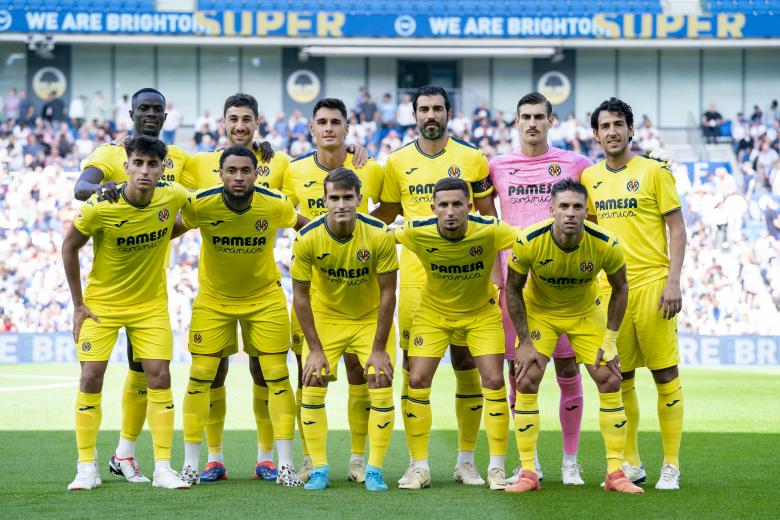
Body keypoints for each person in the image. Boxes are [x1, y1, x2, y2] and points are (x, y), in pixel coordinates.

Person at [372, 85, 497, 488]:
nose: (431, 115)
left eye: (437, 109)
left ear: (449, 113)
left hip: (467, 280)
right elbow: (387, 213)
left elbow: (489, 219)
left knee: (466, 365)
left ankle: (466, 461)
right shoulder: (396, 163)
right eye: (424, 109)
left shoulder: (472, 158)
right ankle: (418, 463)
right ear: (413, 114)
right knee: (414, 370)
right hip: (415, 281)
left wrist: (496, 275)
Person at [73, 88, 192, 484]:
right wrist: (103, 192)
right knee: (97, 374)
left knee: (147, 371)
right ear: (131, 113)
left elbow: (205, 195)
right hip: (109, 291)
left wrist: (157, 232)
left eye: (158, 108)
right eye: (144, 108)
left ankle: (127, 454)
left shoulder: (178, 160)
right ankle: (92, 464)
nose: (151, 114)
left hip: (151, 287)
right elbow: (81, 188)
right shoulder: (109, 154)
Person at [176, 145, 306, 487]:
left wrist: (340, 242)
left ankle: (284, 465)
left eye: (245, 171)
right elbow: (169, 227)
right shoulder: (200, 203)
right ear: (220, 173)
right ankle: (198, 463)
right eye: (231, 170)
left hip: (264, 299)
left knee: (276, 376)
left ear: (255, 173)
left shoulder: (273, 202)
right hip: (214, 300)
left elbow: (304, 226)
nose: (238, 177)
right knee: (201, 376)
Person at [504, 179, 641, 494]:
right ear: (551, 210)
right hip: (541, 314)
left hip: (585, 314)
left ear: (585, 211)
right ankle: (528, 473)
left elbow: (621, 288)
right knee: (526, 378)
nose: (570, 213)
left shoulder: (606, 243)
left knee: (609, 378)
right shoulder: (529, 240)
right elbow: (512, 288)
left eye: (577, 207)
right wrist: (524, 341)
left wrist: (609, 340)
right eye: (563, 206)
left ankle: (615, 473)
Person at [582, 97, 687, 490]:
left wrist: (673, 281)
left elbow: (677, 228)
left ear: (630, 130)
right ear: (596, 134)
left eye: (618, 124)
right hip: (611, 292)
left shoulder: (654, 172)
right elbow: (590, 234)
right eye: (604, 126)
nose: (611, 131)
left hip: (652, 285)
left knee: (665, 374)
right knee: (619, 376)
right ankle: (632, 463)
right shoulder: (590, 178)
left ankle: (671, 465)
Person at [488, 92, 592, 485]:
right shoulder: (496, 167)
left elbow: (592, 218)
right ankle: (528, 462)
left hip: (565, 290)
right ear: (516, 122)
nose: (532, 123)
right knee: (520, 371)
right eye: (525, 117)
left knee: (567, 367)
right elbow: (485, 220)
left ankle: (570, 461)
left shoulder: (576, 164)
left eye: (539, 117)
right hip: (516, 289)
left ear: (552, 121)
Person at [282, 97, 381, 483]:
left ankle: (358, 459)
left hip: (360, 290)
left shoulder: (369, 167)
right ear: (311, 128)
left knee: (360, 371)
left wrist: (357, 234)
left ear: (347, 129)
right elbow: (276, 208)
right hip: (315, 290)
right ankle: (311, 458)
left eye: (335, 122)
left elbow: (387, 210)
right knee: (307, 372)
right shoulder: (291, 171)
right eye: (321, 121)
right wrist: (323, 232)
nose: (328, 128)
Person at [393, 177, 514, 490]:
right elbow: (377, 236)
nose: (450, 211)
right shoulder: (417, 230)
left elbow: (529, 240)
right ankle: (419, 467)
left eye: (457, 204)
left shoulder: (490, 229)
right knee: (417, 380)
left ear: (469, 207)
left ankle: (485, 466)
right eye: (443, 205)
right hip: (432, 315)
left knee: (494, 381)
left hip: (480, 315)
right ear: (433, 208)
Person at [291, 168, 398, 491]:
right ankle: (321, 468)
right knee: (312, 379)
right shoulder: (307, 236)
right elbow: (300, 295)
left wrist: (379, 349)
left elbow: (389, 293)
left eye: (347, 197)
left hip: (369, 319)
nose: (341, 204)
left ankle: (374, 468)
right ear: (324, 201)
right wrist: (316, 349)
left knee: (380, 379)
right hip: (327, 318)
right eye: (334, 198)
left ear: (359, 199)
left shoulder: (379, 234)